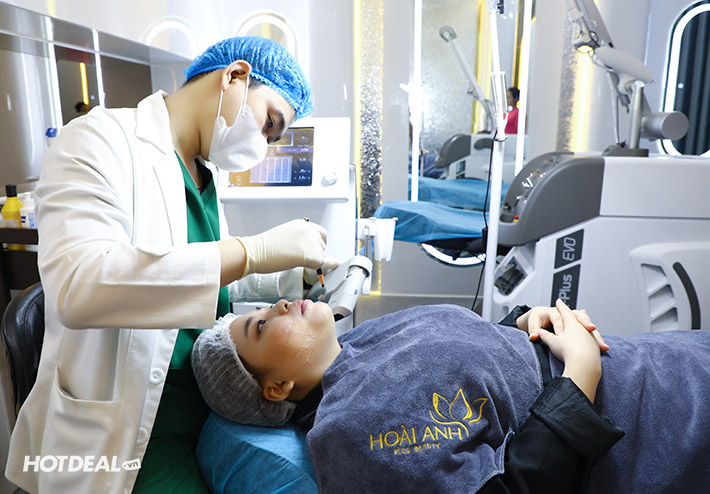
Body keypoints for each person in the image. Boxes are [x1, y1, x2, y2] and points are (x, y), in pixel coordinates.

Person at [6, 36, 338, 494]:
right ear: (235, 77)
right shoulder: (99, 139)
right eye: (268, 124)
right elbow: (80, 286)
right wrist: (252, 251)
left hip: (203, 410)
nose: (262, 145)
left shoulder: (202, 173)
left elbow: (197, 275)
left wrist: (287, 273)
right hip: (127, 434)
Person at [192, 299, 710, 493]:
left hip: (661, 362)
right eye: (262, 325)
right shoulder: (347, 434)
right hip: (659, 430)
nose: (281, 304)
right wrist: (579, 374)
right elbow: (515, 485)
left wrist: (521, 325)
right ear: (277, 387)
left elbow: (462, 367)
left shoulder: (362, 342)